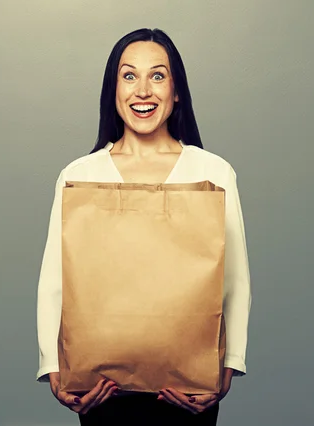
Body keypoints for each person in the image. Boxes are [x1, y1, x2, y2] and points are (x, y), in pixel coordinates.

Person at [36, 28, 252, 425]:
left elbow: (235, 279)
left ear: (177, 90)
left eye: (158, 75)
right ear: (113, 90)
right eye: (129, 75)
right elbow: (55, 278)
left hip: (189, 390)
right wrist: (54, 366)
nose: (143, 91)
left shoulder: (214, 171)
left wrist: (228, 366)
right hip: (101, 389)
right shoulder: (80, 174)